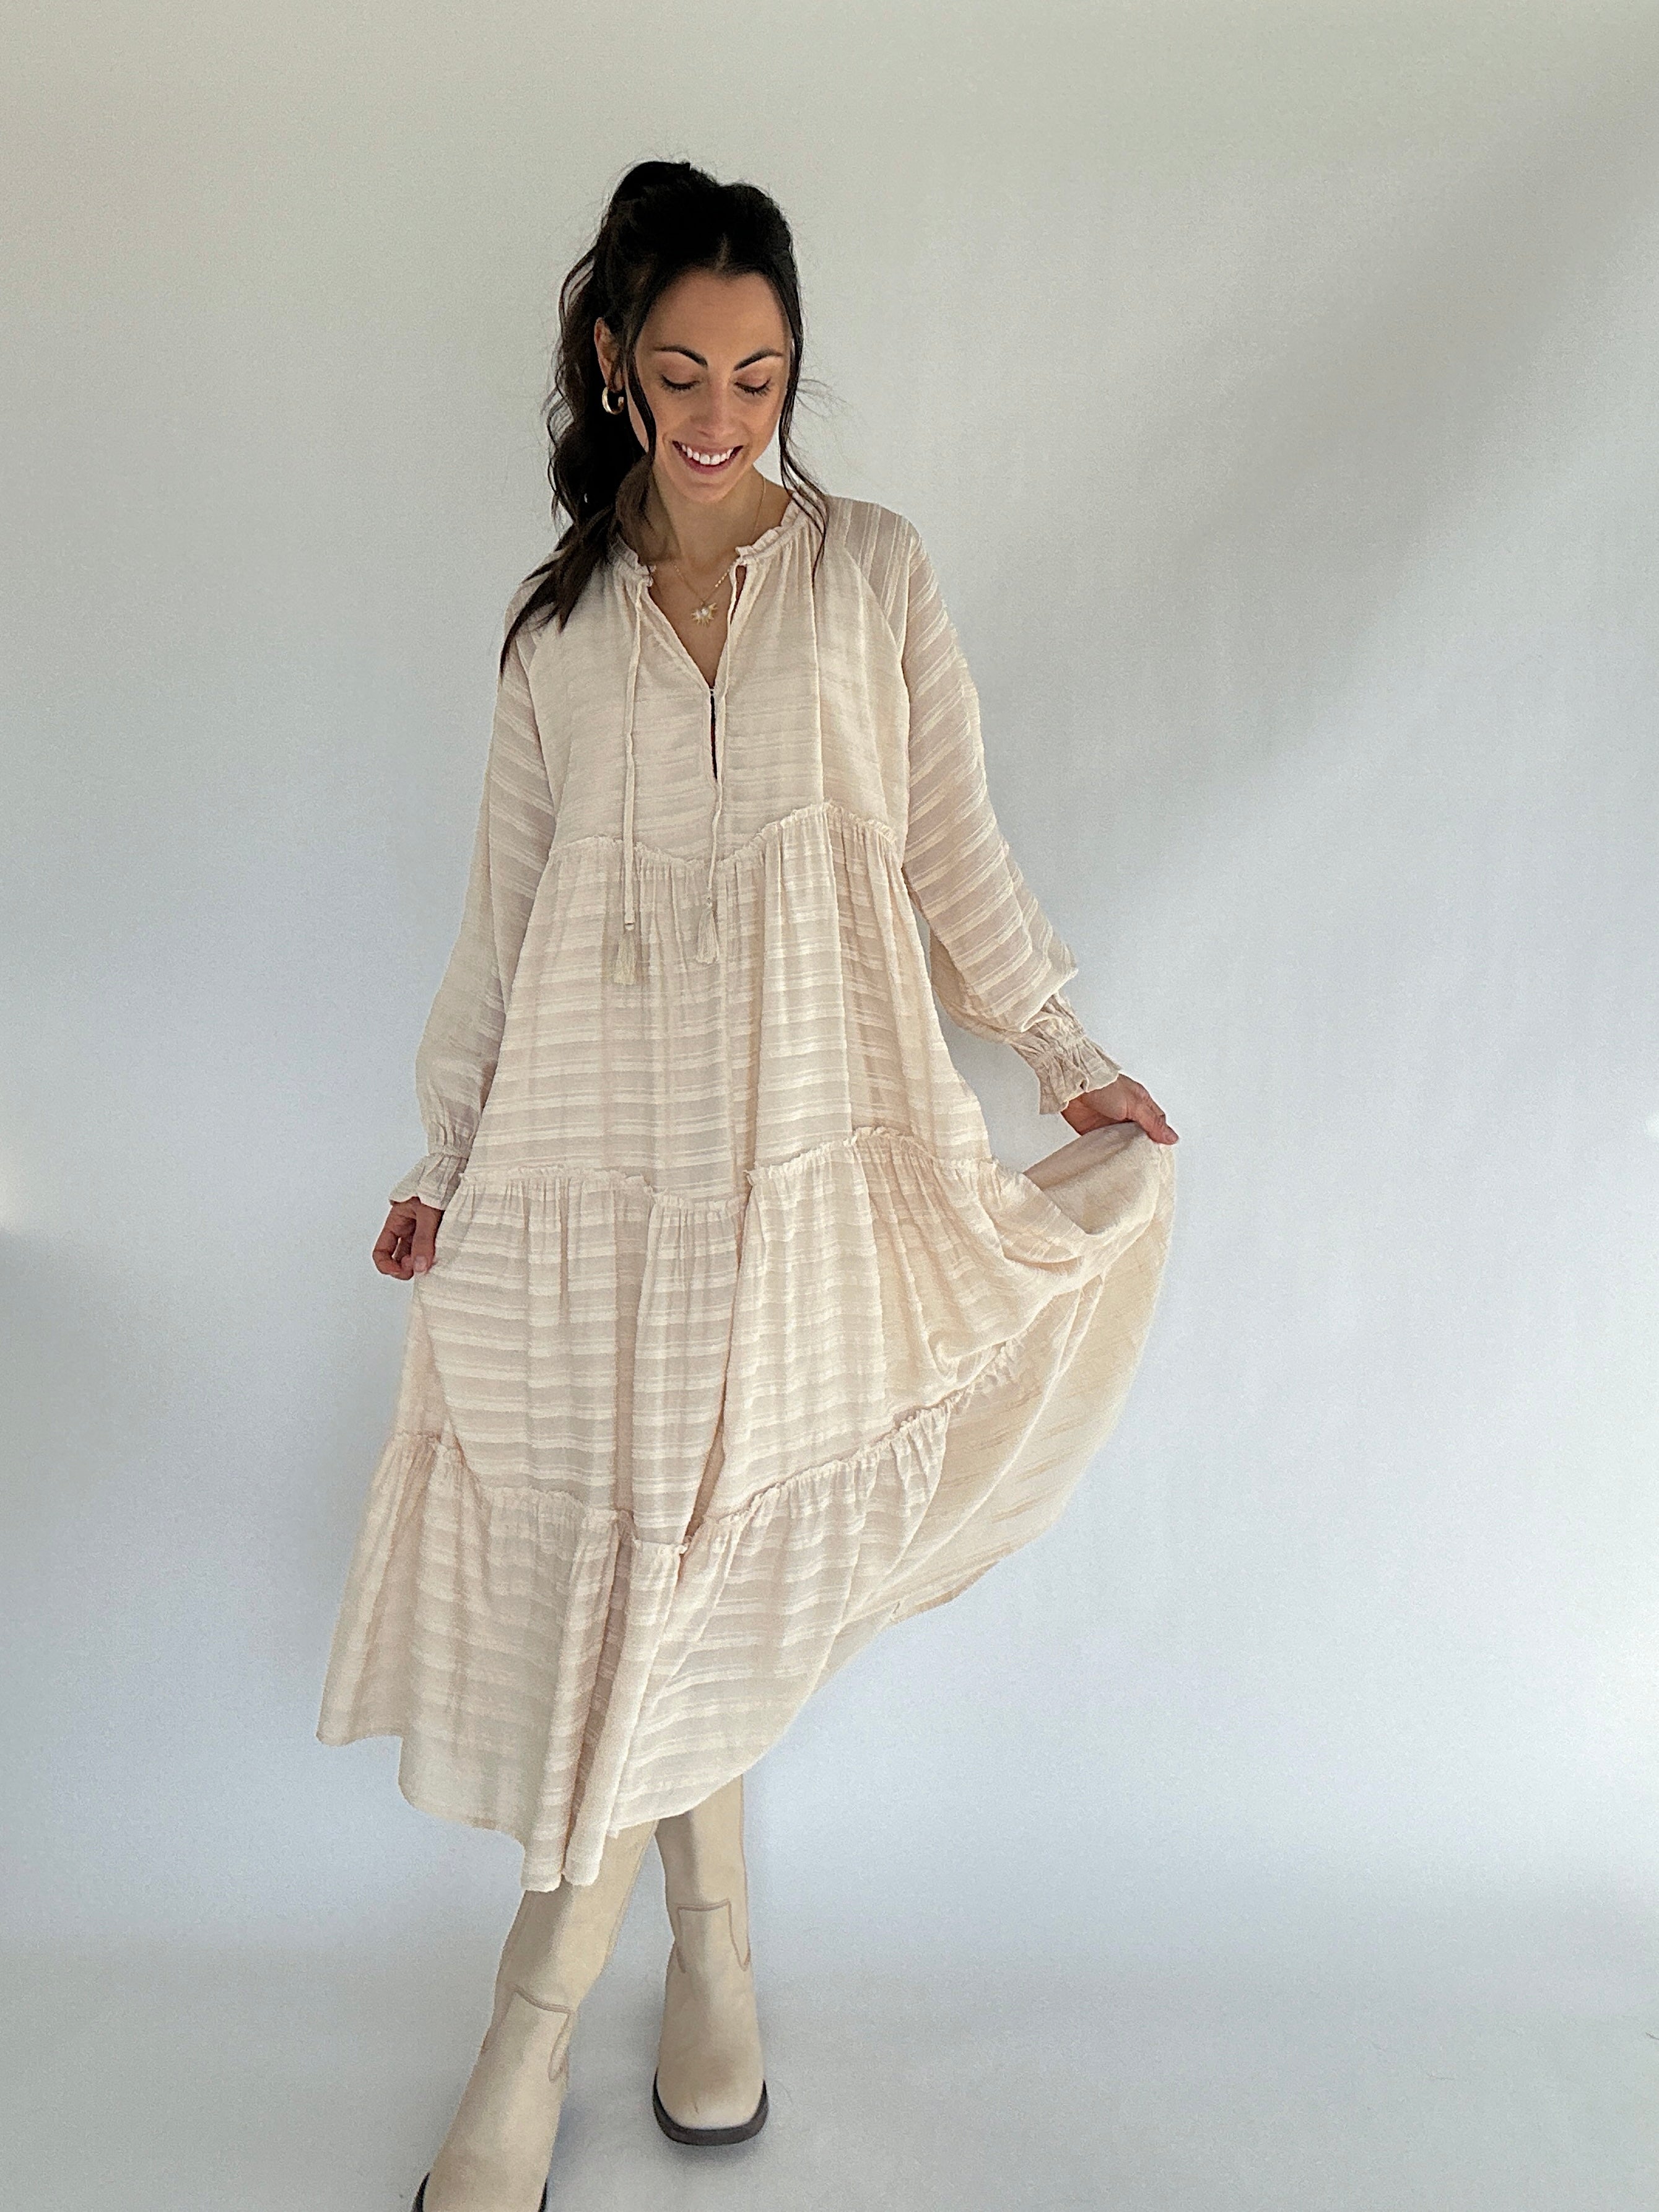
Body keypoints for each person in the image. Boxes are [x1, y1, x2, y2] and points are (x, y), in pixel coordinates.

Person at [315, 159, 1179, 2212]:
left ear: (796, 373)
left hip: (806, 1173)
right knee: (649, 1567)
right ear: (617, 364)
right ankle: (711, 1955)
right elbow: (504, 923)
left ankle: (529, 2042)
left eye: (764, 375)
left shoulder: (873, 572)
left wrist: (1062, 1050)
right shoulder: (556, 637)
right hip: (589, 1177)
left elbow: (949, 854)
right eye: (685, 370)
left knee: (695, 1568)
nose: (723, 415)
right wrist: (446, 1155)